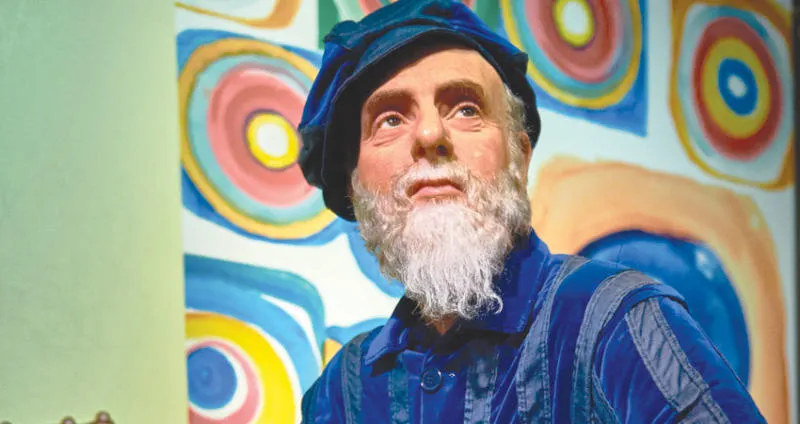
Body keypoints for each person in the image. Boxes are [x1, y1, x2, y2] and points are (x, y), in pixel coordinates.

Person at [296, 0, 765, 422]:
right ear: (356, 186)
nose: (430, 135)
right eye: (391, 118)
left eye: (465, 109)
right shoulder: (341, 392)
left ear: (519, 159)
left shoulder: (615, 325)